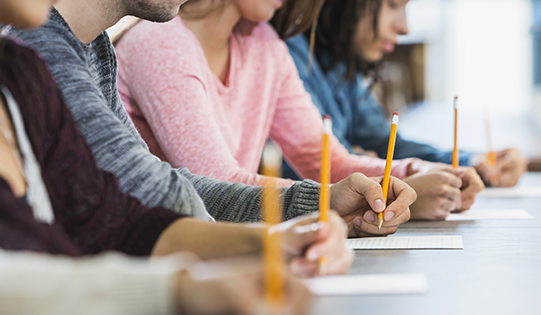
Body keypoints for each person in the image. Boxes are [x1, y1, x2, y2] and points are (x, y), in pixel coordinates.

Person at [0, 0, 310, 313]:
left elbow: (113, 219)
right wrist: (177, 289)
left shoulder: (19, 71)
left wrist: (274, 241)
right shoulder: (40, 47)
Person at [9, 0, 416, 236]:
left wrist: (322, 203)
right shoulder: (39, 49)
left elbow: (159, 182)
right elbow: (147, 192)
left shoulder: (94, 48)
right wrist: (287, 231)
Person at [115, 0, 483, 222]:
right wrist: (344, 201)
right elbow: (219, 185)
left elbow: (322, 158)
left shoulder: (264, 44)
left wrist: (411, 172)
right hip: (169, 252)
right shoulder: (159, 42)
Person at [283, 0, 529, 190]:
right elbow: (321, 165)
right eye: (392, 5)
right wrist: (409, 177)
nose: (404, 27)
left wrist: (472, 163)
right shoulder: (288, 54)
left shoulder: (339, 64)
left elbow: (386, 146)